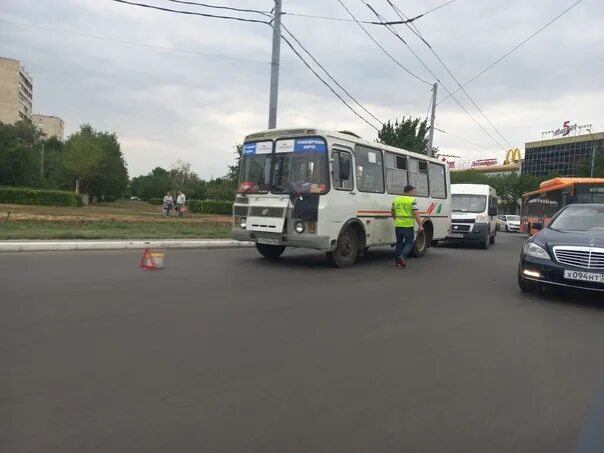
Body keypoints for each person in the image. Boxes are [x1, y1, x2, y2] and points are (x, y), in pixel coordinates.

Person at [391, 184, 423, 268]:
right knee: (409, 243)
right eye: (412, 191)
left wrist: (396, 219)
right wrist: (420, 225)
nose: (413, 192)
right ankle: (402, 256)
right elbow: (415, 213)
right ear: (409, 191)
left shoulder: (396, 199)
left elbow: (392, 212)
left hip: (398, 225)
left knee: (399, 243)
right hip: (408, 225)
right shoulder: (412, 200)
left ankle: (397, 262)